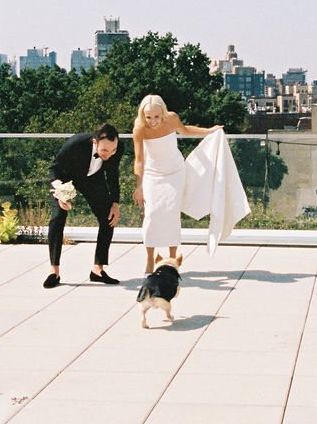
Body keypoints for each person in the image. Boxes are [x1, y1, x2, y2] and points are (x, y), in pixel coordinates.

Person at [132, 95, 221, 274]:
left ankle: (172, 259)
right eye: (148, 117)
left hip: (175, 173)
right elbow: (139, 160)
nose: (153, 121)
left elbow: (185, 130)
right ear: (143, 115)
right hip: (152, 174)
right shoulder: (139, 129)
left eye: (156, 116)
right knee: (151, 214)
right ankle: (151, 258)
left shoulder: (172, 118)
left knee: (172, 213)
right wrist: (139, 186)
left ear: (162, 113)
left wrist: (209, 131)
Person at [44, 123, 123, 289]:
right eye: (104, 151)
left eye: (113, 150)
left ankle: (98, 270)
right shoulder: (76, 143)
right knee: (58, 217)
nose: (109, 154)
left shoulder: (117, 148)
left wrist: (115, 203)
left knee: (108, 216)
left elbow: (113, 175)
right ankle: (54, 271)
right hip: (64, 179)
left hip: (92, 179)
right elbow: (54, 169)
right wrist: (60, 191)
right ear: (95, 142)